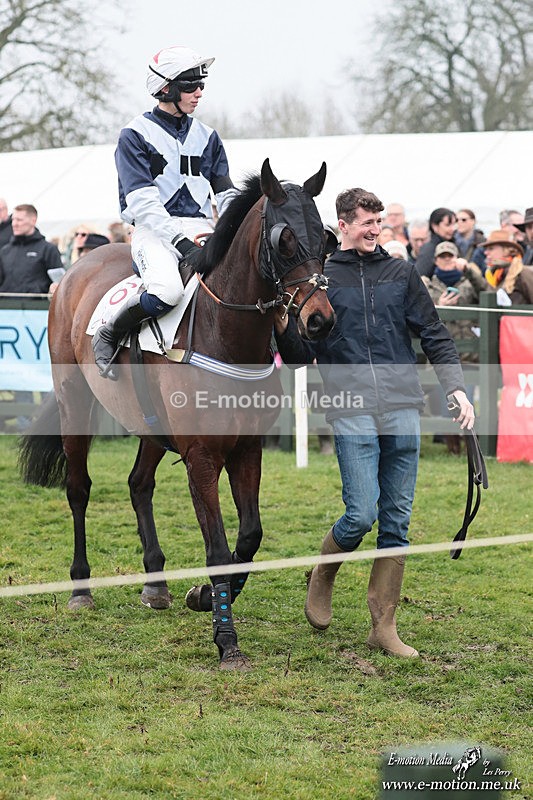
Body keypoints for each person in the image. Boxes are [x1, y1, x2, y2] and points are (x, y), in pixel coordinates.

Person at [275, 187, 474, 658]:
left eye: (378, 222)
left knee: (396, 521)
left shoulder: (401, 273)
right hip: (349, 404)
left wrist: (456, 387)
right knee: (361, 513)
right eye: (366, 222)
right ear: (342, 225)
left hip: (403, 404)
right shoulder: (320, 279)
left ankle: (383, 625)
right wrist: (285, 324)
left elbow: (434, 334)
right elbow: (302, 356)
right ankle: (324, 569)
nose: (374, 229)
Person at [92, 45, 237, 379]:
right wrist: (181, 242)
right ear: (165, 88)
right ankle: (110, 332)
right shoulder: (134, 134)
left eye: (201, 85)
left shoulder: (208, 136)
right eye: (190, 85)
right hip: (154, 231)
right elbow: (142, 202)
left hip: (203, 228)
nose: (199, 92)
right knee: (168, 291)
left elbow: (226, 191)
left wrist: (230, 232)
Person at [422, 241, 489, 453]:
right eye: (442, 257)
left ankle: (469, 444)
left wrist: (470, 270)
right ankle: (453, 446)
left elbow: (488, 291)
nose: (447, 260)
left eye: (450, 256)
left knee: (464, 400)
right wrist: (438, 305)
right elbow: (421, 313)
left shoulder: (467, 284)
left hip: (467, 355)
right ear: (435, 260)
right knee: (445, 404)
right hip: (439, 357)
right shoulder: (428, 286)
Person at [0, 204, 63, 294]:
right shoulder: (5, 251)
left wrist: (53, 288)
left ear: (33, 221)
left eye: (19, 220)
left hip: (36, 306)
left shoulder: (48, 250)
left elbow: (59, 282)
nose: (14, 224)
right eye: (13, 219)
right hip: (6, 306)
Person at [482, 230, 533, 304]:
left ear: (506, 250)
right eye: (486, 249)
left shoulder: (522, 273)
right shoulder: (496, 276)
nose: (486, 253)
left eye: (491, 248)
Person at [415, 207, 457, 278]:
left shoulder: (454, 244)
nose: (452, 229)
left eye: (454, 224)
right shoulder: (429, 250)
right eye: (447, 225)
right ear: (434, 226)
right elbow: (418, 278)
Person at [453, 208, 485, 272]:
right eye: (456, 220)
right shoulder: (450, 240)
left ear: (473, 221)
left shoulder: (482, 242)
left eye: (463, 220)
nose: (459, 222)